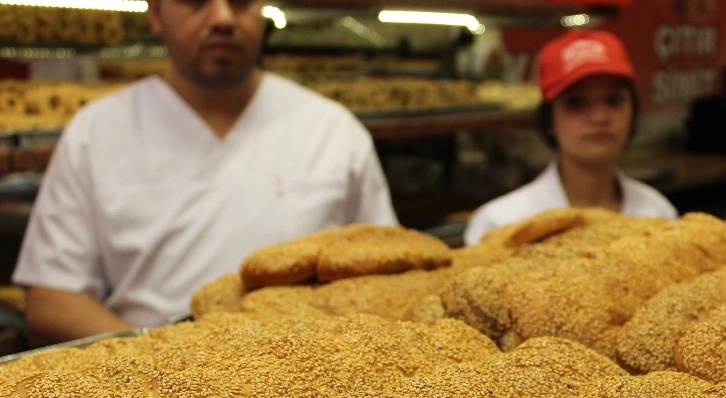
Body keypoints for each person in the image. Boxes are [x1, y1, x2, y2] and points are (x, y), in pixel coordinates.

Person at [13, 0, 398, 345]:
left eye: (241, 1)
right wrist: (156, 360)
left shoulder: (332, 131)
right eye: (195, 1)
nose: (223, 17)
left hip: (316, 386)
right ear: (155, 13)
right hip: (147, 387)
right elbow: (52, 300)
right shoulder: (96, 132)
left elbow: (393, 274)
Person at [463, 29, 678, 246]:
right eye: (576, 102)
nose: (599, 117)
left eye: (614, 100)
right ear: (549, 121)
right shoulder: (500, 224)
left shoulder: (658, 213)